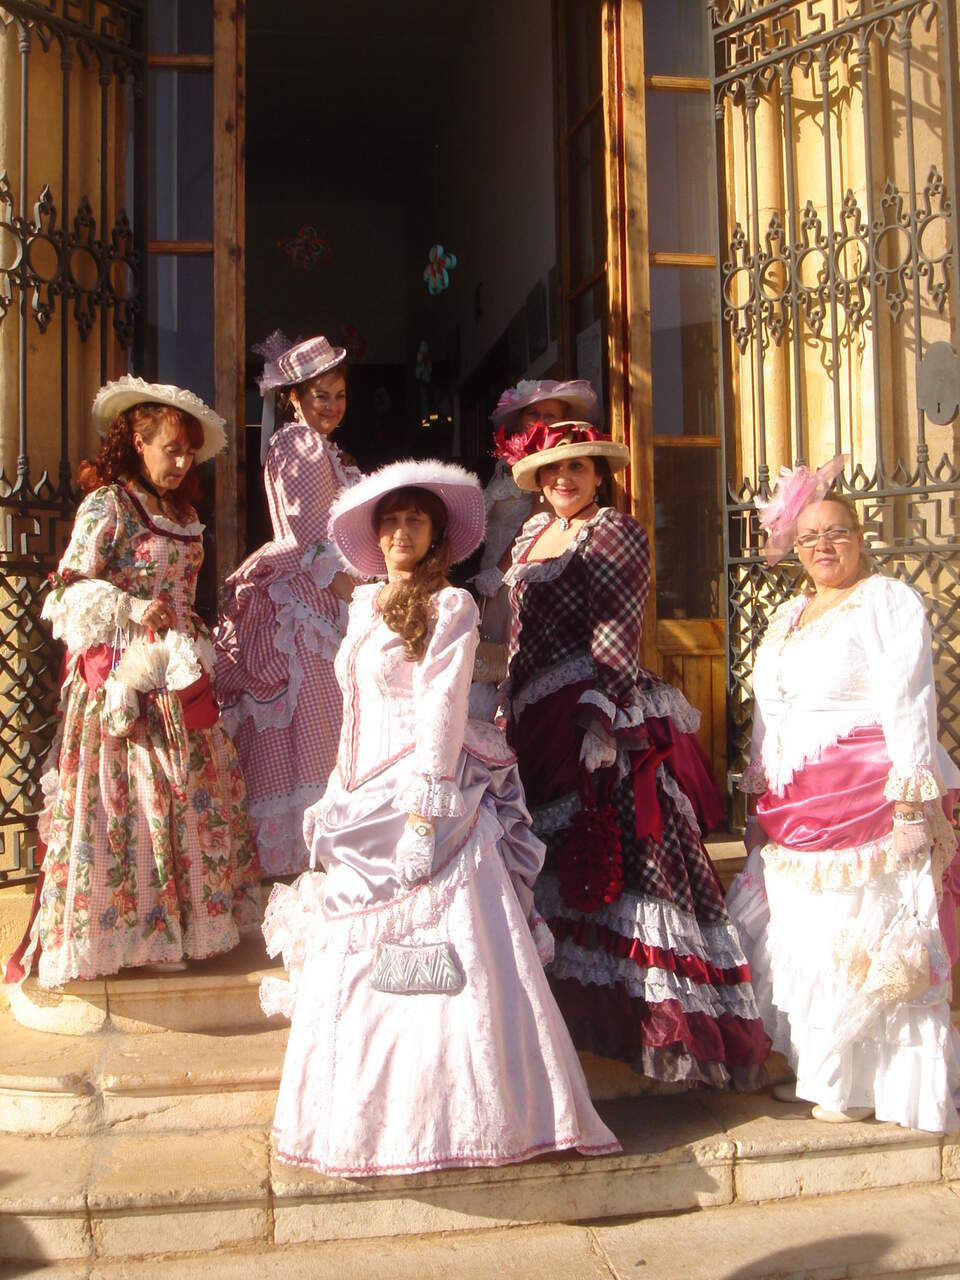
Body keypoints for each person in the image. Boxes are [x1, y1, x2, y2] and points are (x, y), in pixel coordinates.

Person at [259, 459, 620, 1176]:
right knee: (364, 969)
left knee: (443, 965)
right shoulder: (361, 608)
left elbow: (442, 708)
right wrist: (335, 790)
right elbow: (353, 710)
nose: (399, 533)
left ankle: (458, 1119)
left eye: (413, 522)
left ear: (434, 536)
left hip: (424, 794)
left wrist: (426, 814)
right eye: (389, 522)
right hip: (360, 796)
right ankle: (359, 1124)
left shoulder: (451, 607)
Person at [500, 420, 770, 1089]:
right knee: (558, 865)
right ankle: (577, 1012)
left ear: (599, 476)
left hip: (594, 710)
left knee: (623, 860)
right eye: (555, 470)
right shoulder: (532, 537)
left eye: (580, 469)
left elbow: (618, 627)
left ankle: (648, 1024)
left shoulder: (613, 531)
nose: (566, 479)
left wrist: (600, 714)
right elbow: (517, 633)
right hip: (536, 715)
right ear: (538, 480)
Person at [727, 458, 960, 1131]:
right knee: (806, 944)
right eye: (809, 538)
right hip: (794, 807)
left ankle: (873, 1089)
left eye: (837, 533)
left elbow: (910, 694)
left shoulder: (885, 599)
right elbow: (769, 714)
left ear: (860, 538)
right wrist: (755, 797)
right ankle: (825, 1072)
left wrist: (912, 801)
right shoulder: (786, 615)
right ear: (792, 550)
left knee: (864, 941)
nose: (823, 546)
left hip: (870, 801)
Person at [9, 375, 261, 988]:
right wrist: (127, 608)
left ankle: (183, 924)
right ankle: (138, 931)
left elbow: (182, 593)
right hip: (121, 681)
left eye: (188, 453)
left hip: (175, 676)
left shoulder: (185, 514)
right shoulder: (109, 505)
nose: (180, 462)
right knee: (134, 798)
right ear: (138, 443)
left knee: (188, 795)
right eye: (169, 449)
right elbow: (66, 587)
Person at [213, 333, 358, 876]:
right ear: (294, 396)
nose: (331, 405)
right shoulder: (300, 445)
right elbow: (304, 535)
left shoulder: (316, 447)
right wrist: (347, 588)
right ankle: (306, 851)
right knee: (314, 712)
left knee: (320, 715)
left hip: (315, 586)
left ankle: (312, 852)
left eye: (339, 394)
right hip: (304, 593)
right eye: (320, 394)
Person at [470, 379, 600, 719]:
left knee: (510, 654)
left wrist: (499, 571)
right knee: (489, 655)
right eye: (534, 414)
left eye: (550, 415)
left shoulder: (552, 465)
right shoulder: (509, 461)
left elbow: (538, 521)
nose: (541, 421)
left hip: (516, 570)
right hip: (494, 568)